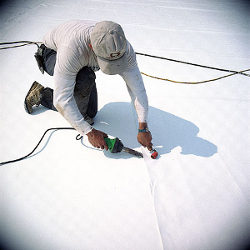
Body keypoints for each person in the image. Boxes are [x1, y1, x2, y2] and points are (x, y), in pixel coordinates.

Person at [24, 20, 153, 151]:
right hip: (51, 53)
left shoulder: (123, 48)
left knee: (90, 114)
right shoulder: (72, 50)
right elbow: (61, 100)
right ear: (92, 47)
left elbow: (137, 89)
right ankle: (41, 94)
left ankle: (75, 102)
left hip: (82, 61)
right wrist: (89, 132)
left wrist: (143, 126)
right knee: (84, 79)